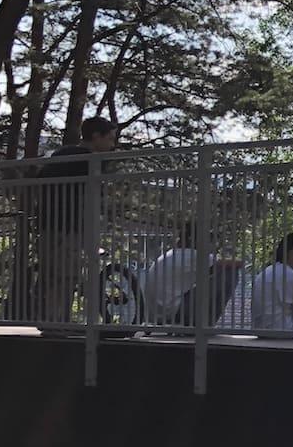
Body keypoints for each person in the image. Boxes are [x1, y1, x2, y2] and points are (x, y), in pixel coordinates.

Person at [31, 117, 119, 321]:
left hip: (47, 224)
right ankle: (58, 322)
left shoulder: (60, 154)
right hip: (69, 226)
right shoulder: (89, 161)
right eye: (110, 139)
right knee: (65, 276)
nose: (112, 145)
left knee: (51, 274)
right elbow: (90, 197)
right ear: (96, 136)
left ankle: (51, 319)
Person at [220, 231, 293, 332]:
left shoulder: (268, 271)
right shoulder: (291, 276)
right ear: (292, 252)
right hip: (283, 330)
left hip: (261, 330)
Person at [139, 225, 212, 326]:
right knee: (229, 274)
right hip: (171, 311)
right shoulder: (194, 255)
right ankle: (204, 326)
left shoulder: (169, 254)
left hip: (153, 314)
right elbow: (225, 265)